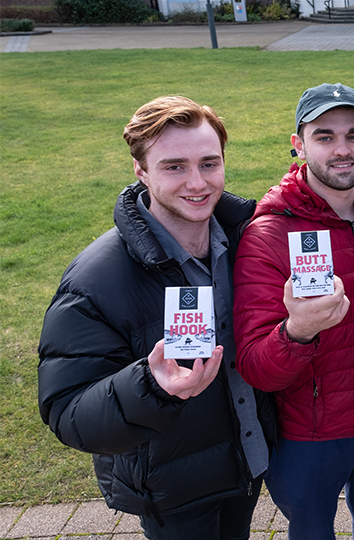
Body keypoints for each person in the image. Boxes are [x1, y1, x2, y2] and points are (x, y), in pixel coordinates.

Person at [37, 96, 273, 540]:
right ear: (140, 170)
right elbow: (66, 411)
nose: (197, 183)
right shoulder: (96, 280)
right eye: (174, 167)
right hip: (173, 489)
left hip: (247, 460)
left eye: (209, 163)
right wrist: (151, 386)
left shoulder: (250, 241)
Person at [231, 83, 354, 540]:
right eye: (324, 136)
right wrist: (297, 332)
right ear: (299, 144)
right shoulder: (267, 235)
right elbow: (255, 366)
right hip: (313, 435)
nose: (342, 149)